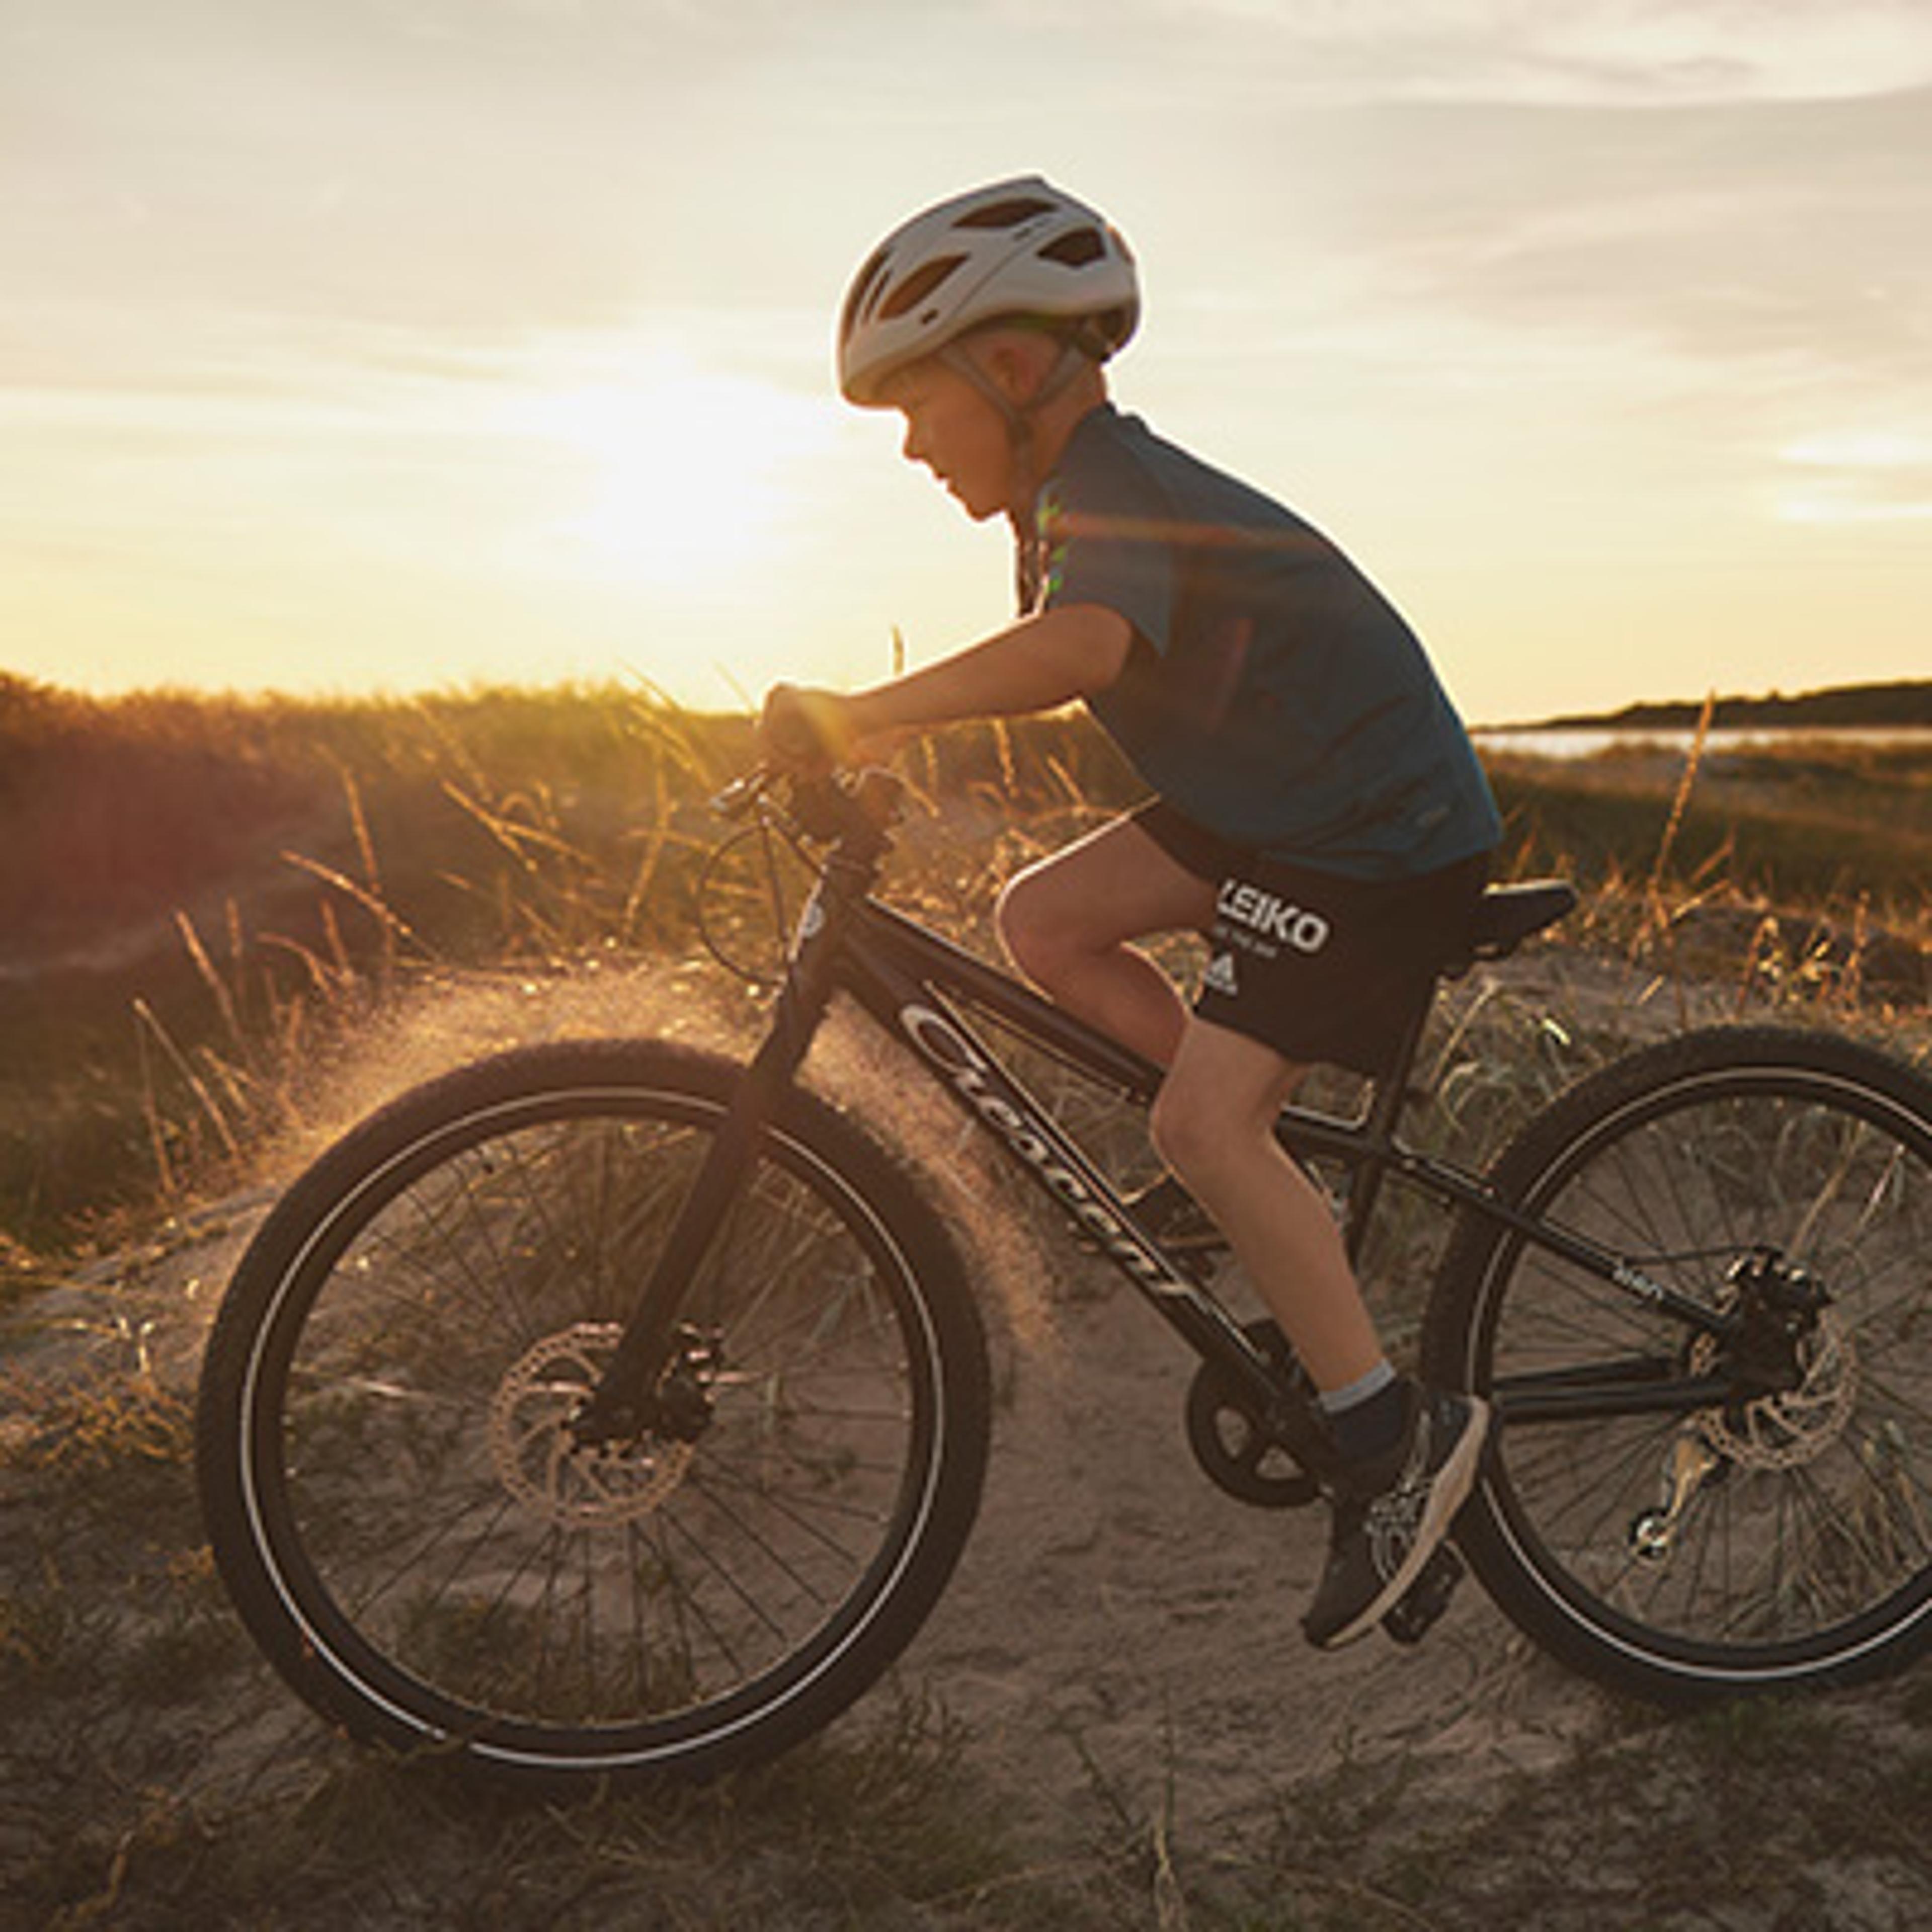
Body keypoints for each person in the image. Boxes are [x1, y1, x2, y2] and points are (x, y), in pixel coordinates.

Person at [759, 176, 1502, 1650]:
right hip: (1284, 807)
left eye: (918, 407)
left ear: (1016, 370)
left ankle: (1388, 1439)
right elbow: (1084, 650)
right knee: (1044, 919)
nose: (909, 447)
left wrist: (867, 716)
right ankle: (1261, 1187)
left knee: (1199, 1127)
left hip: (1371, 835)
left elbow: (1082, 645)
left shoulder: (1107, 481)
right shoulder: (1070, 491)